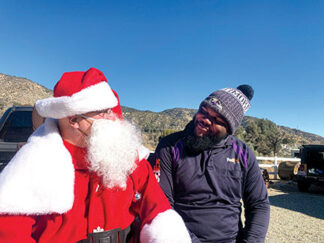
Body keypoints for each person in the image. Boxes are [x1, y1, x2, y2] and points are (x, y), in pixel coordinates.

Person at [0, 67, 191, 243]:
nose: (113, 117)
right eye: (103, 112)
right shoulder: (33, 163)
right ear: (74, 120)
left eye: (110, 110)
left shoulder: (126, 157)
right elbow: (9, 231)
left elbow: (159, 212)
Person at [151, 85, 270, 243]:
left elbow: (259, 204)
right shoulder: (170, 147)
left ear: (229, 129)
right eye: (204, 110)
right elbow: (161, 204)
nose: (205, 120)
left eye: (217, 119)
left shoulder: (243, 153)